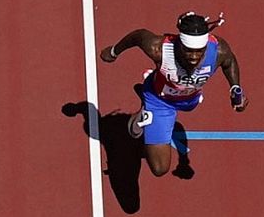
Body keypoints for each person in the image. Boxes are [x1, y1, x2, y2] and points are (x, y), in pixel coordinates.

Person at [99, 11, 246, 178]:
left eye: (199, 51)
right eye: (188, 50)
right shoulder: (159, 49)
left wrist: (235, 87)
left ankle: (151, 115)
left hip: (189, 99)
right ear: (179, 43)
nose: (193, 57)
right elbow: (138, 36)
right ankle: (143, 113)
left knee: (188, 104)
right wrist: (113, 52)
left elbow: (229, 62)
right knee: (159, 168)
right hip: (159, 100)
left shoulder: (219, 50)